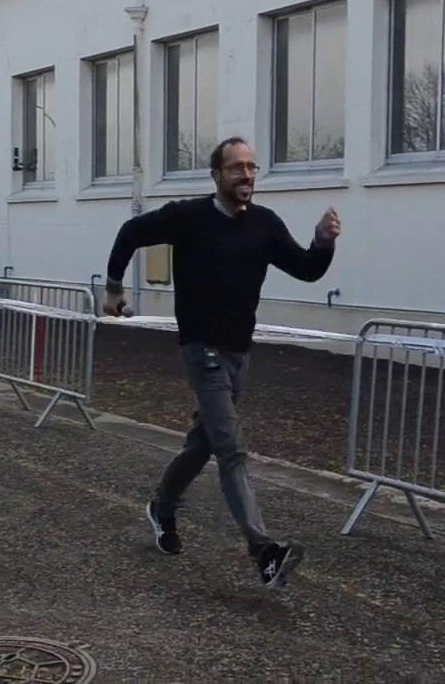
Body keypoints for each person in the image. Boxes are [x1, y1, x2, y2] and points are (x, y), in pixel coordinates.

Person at [101, 136, 341, 588]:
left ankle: (161, 507)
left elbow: (307, 269)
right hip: (201, 349)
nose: (247, 175)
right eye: (237, 168)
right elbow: (130, 233)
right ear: (217, 175)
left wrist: (322, 242)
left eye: (251, 167)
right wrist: (114, 287)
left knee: (203, 444)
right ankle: (264, 552)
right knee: (231, 448)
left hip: (238, 354)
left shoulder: (265, 225)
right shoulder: (187, 217)